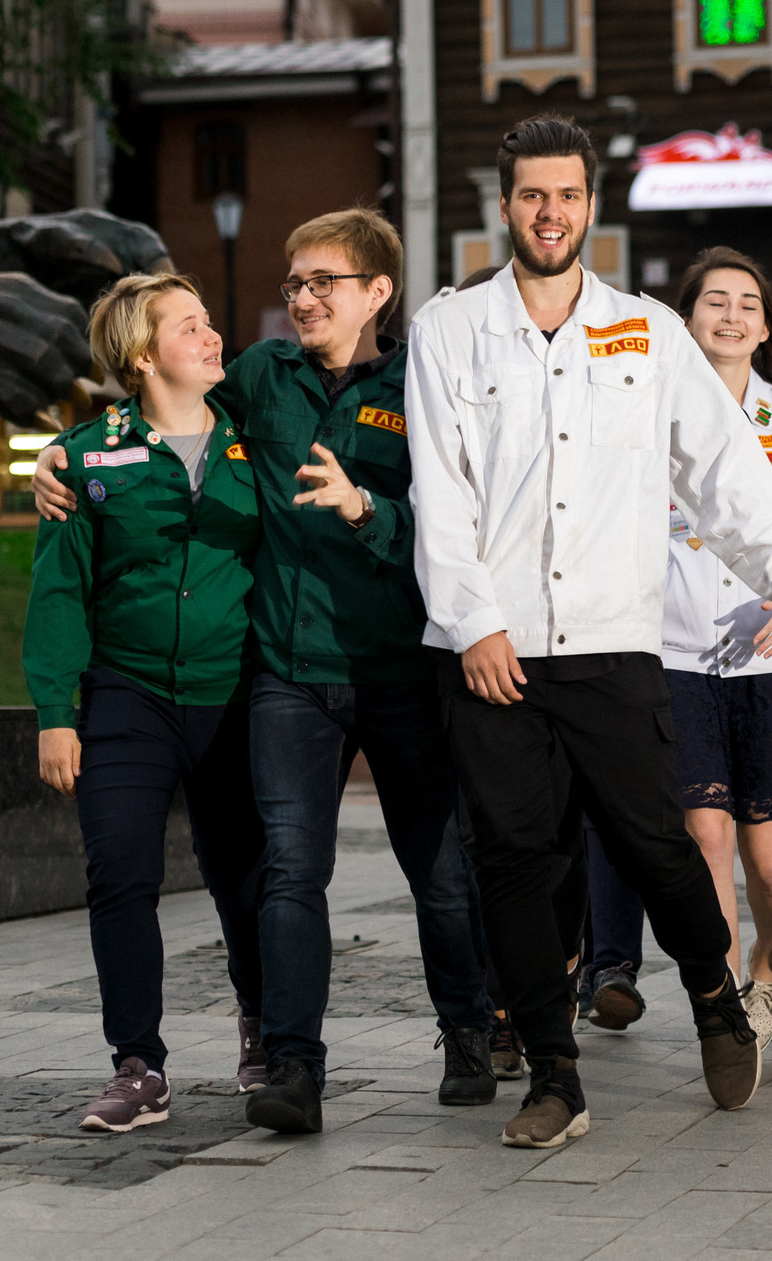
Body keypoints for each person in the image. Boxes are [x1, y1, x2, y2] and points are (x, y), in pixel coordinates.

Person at [406, 115, 772, 1149]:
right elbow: (440, 493)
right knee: (512, 858)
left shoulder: (646, 329)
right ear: (503, 205)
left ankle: (714, 994)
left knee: (657, 843)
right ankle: (554, 1073)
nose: (550, 212)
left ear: (592, 204)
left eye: (567, 194)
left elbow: (723, 470)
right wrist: (473, 623)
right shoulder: (449, 329)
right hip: (492, 652)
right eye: (531, 195)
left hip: (611, 641)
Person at [33, 209, 501, 1134]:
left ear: (377, 292)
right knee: (289, 869)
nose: (301, 298)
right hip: (285, 672)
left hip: (401, 666)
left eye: (323, 281)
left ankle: (469, 1031)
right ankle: (290, 1062)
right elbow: (162, 421)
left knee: (440, 871)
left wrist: (371, 510)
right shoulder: (259, 376)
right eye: (293, 283)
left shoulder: (426, 386)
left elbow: (467, 521)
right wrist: (64, 456)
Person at [24, 274, 266, 1134]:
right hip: (125, 696)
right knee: (120, 873)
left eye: (209, 320)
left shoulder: (255, 441)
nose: (211, 337)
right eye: (190, 327)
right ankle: (138, 1065)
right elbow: (58, 593)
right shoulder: (84, 457)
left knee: (246, 875)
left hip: (233, 692)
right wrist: (56, 711)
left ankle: (263, 1028)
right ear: (141, 354)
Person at [660, 248, 772, 1045]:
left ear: (766, 328)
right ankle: (724, 1006)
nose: (730, 316)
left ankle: (768, 961)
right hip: (675, 651)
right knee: (705, 836)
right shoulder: (650, 410)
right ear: (685, 317)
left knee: (771, 865)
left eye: (747, 304)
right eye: (713, 302)